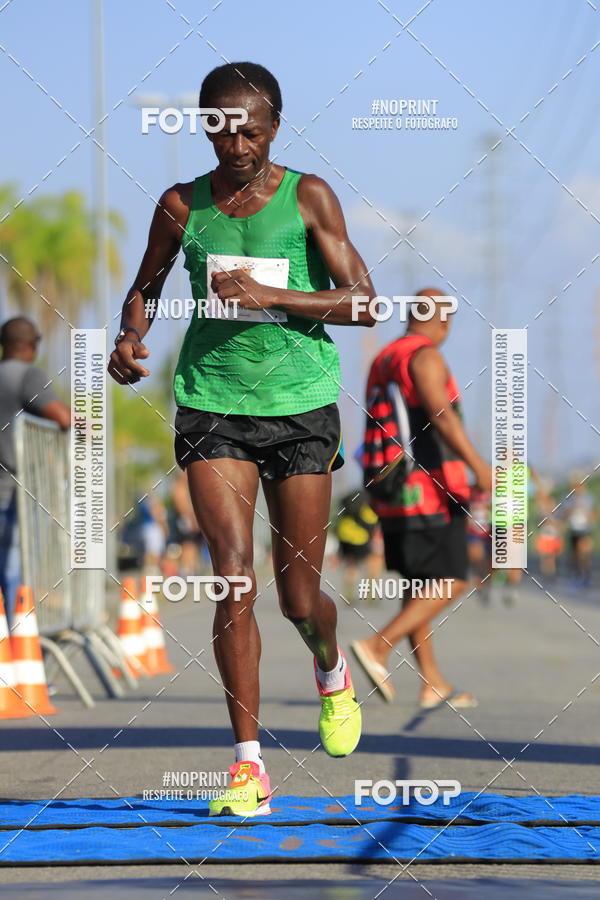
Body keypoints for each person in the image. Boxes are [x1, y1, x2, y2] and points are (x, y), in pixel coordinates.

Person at [108, 62, 375, 817]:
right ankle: (248, 767)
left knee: (297, 596)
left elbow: (364, 302)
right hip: (212, 404)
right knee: (232, 574)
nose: (236, 144)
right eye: (221, 128)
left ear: (274, 128)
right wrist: (130, 336)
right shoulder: (180, 204)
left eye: (251, 130)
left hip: (300, 407)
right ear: (203, 127)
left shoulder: (308, 196)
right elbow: (146, 287)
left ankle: (331, 669)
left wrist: (277, 295)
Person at [351, 289, 492, 708]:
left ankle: (432, 682)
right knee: (452, 580)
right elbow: (441, 414)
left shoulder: (385, 358)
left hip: (391, 490)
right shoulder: (426, 356)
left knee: (419, 587)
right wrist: (479, 467)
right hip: (431, 488)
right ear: (444, 321)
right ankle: (378, 646)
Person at [0, 317, 70, 622]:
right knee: (15, 565)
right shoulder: (26, 376)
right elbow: (64, 418)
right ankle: (17, 641)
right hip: (12, 489)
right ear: (32, 345)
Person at [334, 490, 383, 604]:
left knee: (351, 567)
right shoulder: (367, 506)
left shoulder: (347, 508)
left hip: (346, 539)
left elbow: (338, 525)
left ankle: (349, 596)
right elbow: (372, 524)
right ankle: (370, 595)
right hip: (362, 539)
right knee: (373, 566)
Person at [562, 477, 596, 588]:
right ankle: (575, 575)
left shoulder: (589, 498)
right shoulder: (569, 499)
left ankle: (586, 577)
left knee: (584, 554)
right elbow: (564, 515)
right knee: (574, 555)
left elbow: (594, 514)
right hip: (573, 530)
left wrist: (587, 513)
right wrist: (572, 508)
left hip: (585, 530)